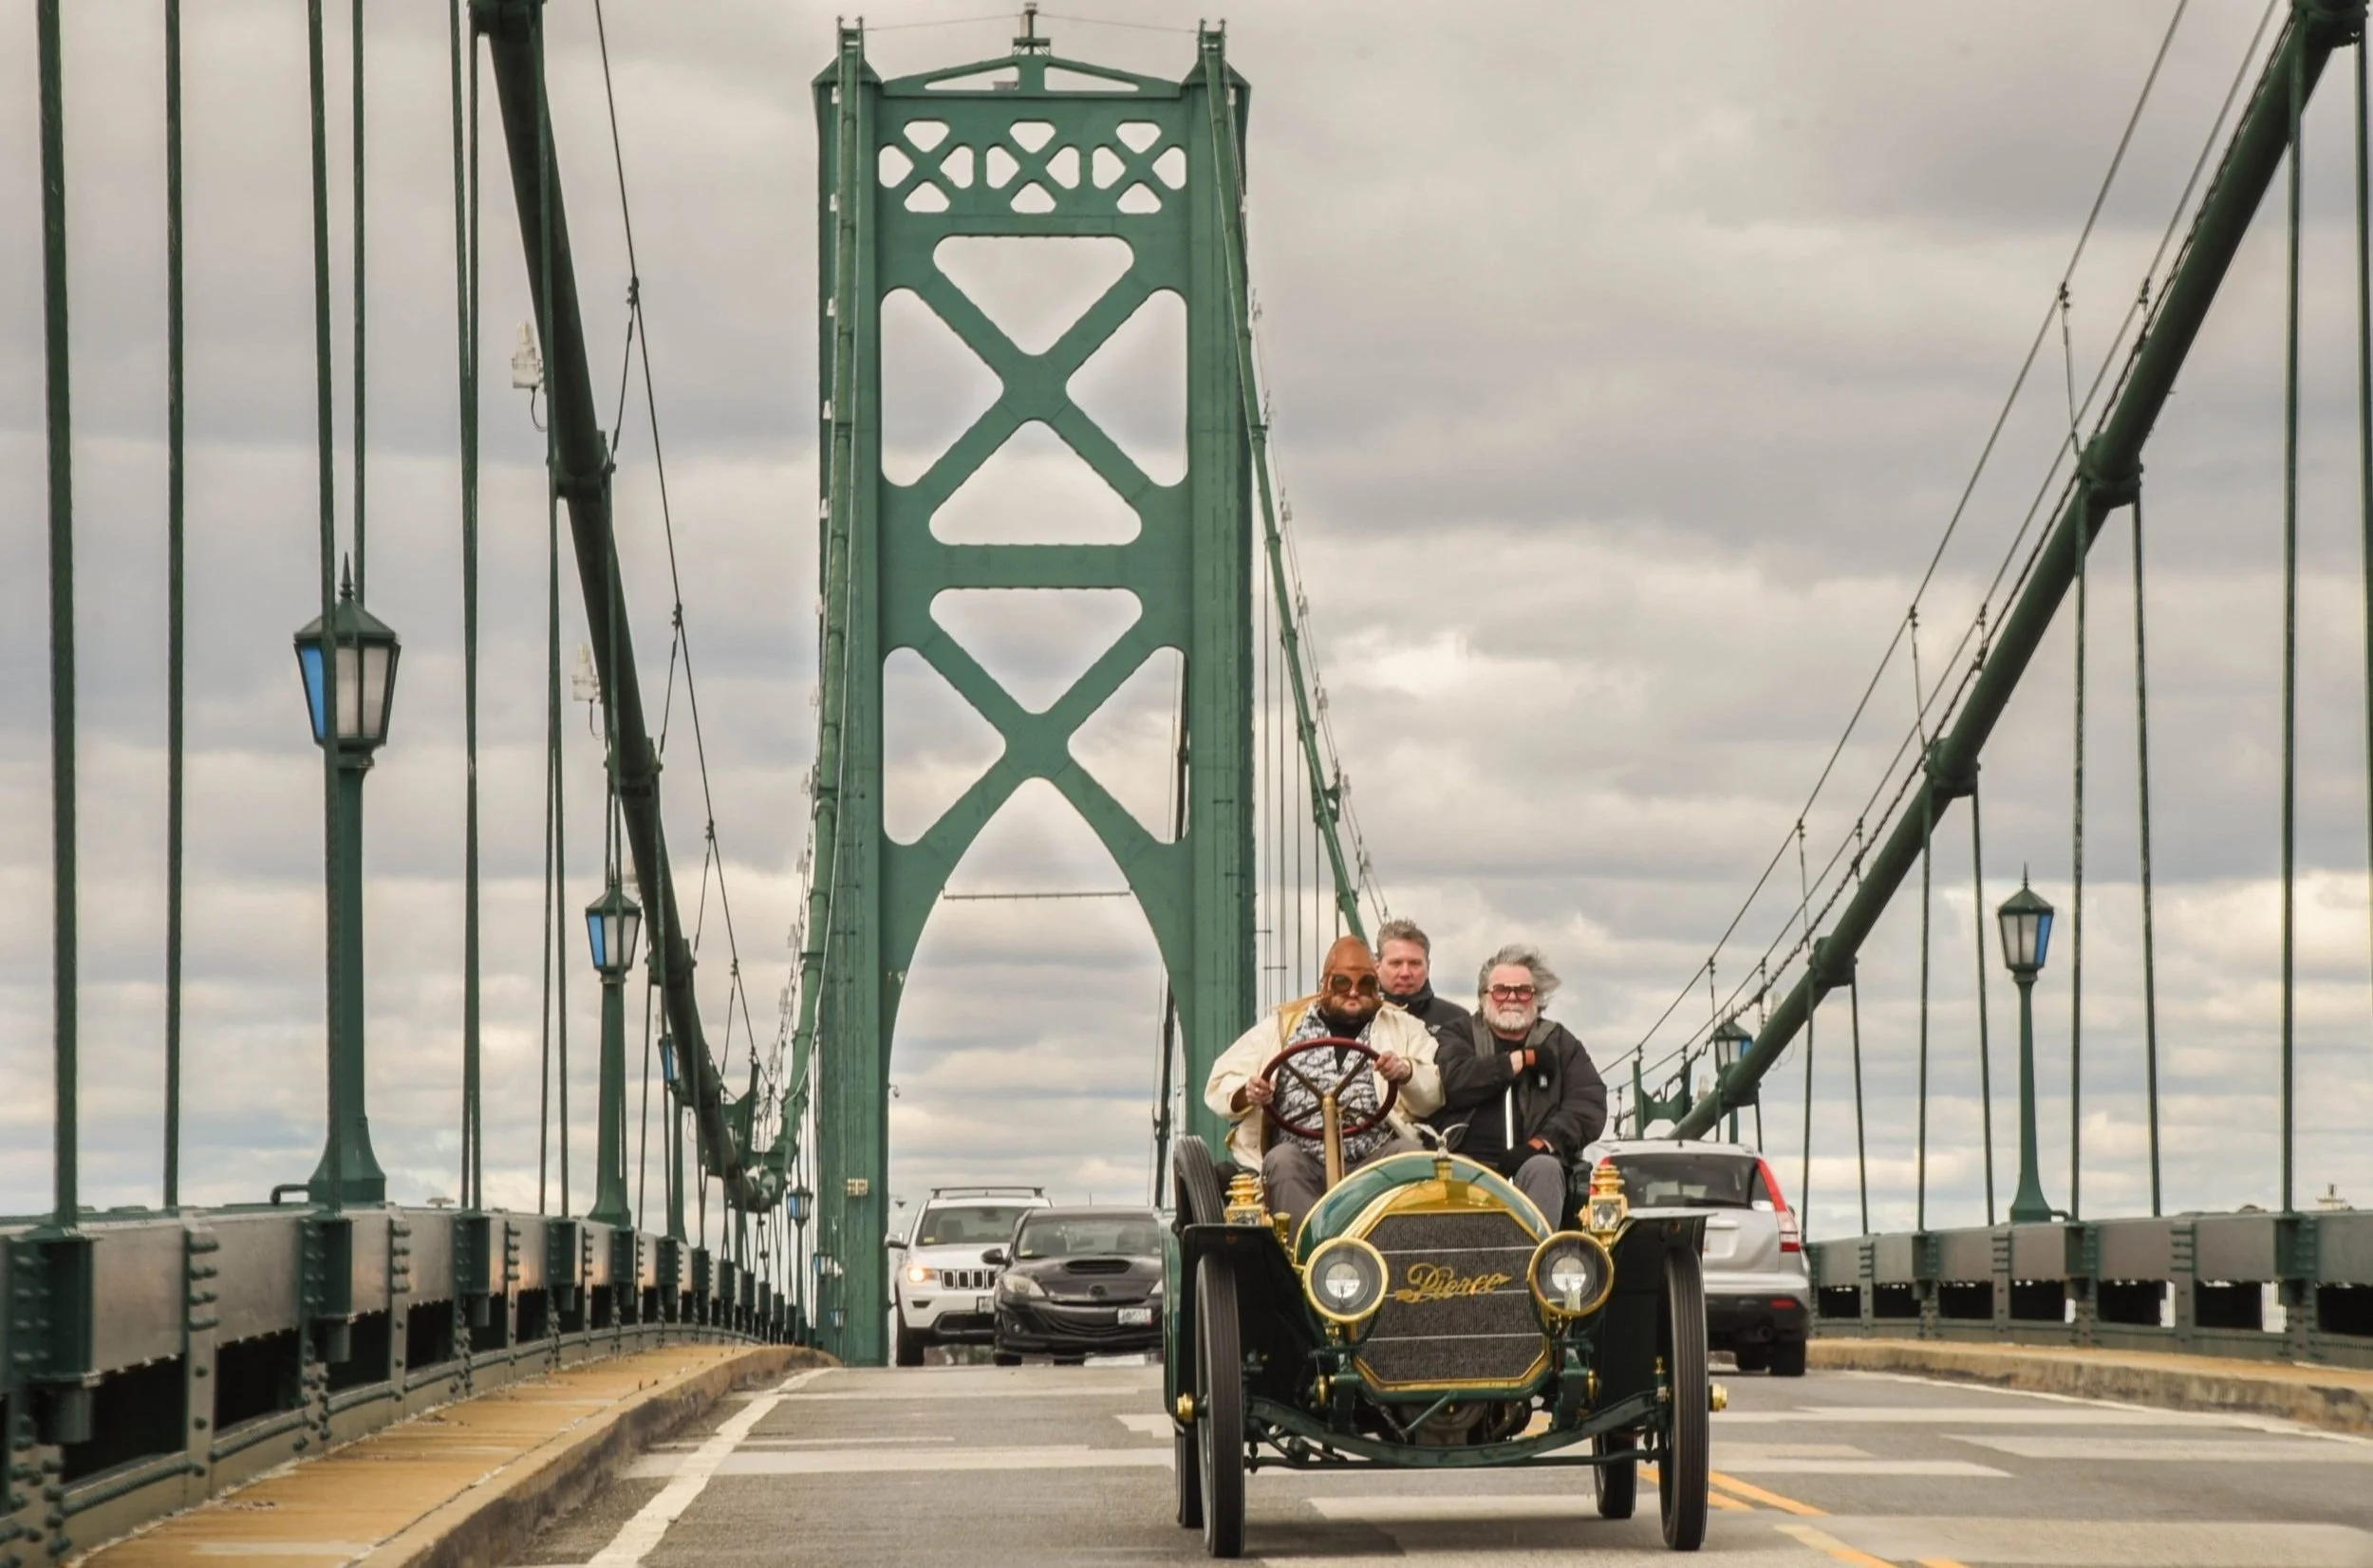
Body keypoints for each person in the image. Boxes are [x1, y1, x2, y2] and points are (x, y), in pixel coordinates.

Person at [1205, 936, 1445, 1235]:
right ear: (1324, 984)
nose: (1354, 992)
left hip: (1374, 1156)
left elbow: (1432, 1094)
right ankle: (1309, 1258)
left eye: (1367, 984)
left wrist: (1405, 1072)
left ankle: (1394, 1261)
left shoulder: (1405, 1028)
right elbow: (1221, 1082)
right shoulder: (1282, 1027)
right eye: (1342, 983)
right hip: (1301, 1157)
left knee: (1410, 1155)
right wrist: (1249, 1092)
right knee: (1281, 1160)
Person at [1434, 943, 1607, 1227]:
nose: (1512, 998)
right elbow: (1455, 1080)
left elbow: (1589, 1105)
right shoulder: (1458, 1034)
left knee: (1545, 1169)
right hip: (1463, 1165)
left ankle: (1535, 1266)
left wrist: (1541, 1144)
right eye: (1501, 990)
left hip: (1533, 1166)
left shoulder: (1561, 1043)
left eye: (1523, 991)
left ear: (1537, 998)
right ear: (1484, 997)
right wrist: (1519, 1061)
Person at [1374, 917, 1471, 1036]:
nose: (1405, 973)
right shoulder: (1359, 1018)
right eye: (1396, 963)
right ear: (1377, 967)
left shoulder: (1457, 1020)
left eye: (1414, 963)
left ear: (1428, 967)